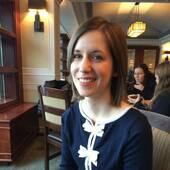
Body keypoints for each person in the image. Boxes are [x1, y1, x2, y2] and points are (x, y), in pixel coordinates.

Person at [60, 16, 152, 170]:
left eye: (96, 57)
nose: (83, 67)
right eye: (77, 56)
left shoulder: (135, 128)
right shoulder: (69, 117)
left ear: (116, 67)